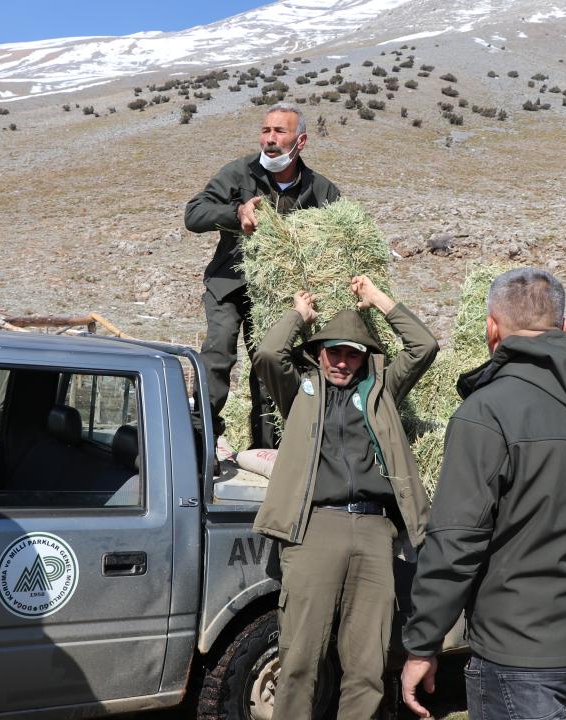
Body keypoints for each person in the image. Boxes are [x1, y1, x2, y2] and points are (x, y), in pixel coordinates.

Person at [400, 268, 566, 720]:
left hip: (519, 655)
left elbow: (456, 541)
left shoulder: (486, 412)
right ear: (564, 327)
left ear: (491, 328)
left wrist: (422, 644)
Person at [251, 275, 437, 719]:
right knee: (300, 658)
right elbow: (268, 354)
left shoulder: (381, 390)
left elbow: (424, 346)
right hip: (315, 528)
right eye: (334, 352)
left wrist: (378, 299)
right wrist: (299, 314)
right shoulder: (300, 392)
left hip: (374, 530)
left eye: (352, 354)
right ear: (318, 353)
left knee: (368, 665)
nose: (342, 362)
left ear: (365, 357)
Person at [185, 102, 341, 450]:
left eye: (280, 131)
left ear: (300, 141)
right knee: (218, 354)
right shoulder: (239, 173)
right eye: (265, 130)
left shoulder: (321, 190)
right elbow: (194, 214)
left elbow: (340, 238)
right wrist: (236, 212)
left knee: (269, 364)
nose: (270, 139)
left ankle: (267, 450)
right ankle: (198, 441)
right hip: (230, 283)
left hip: (277, 294)